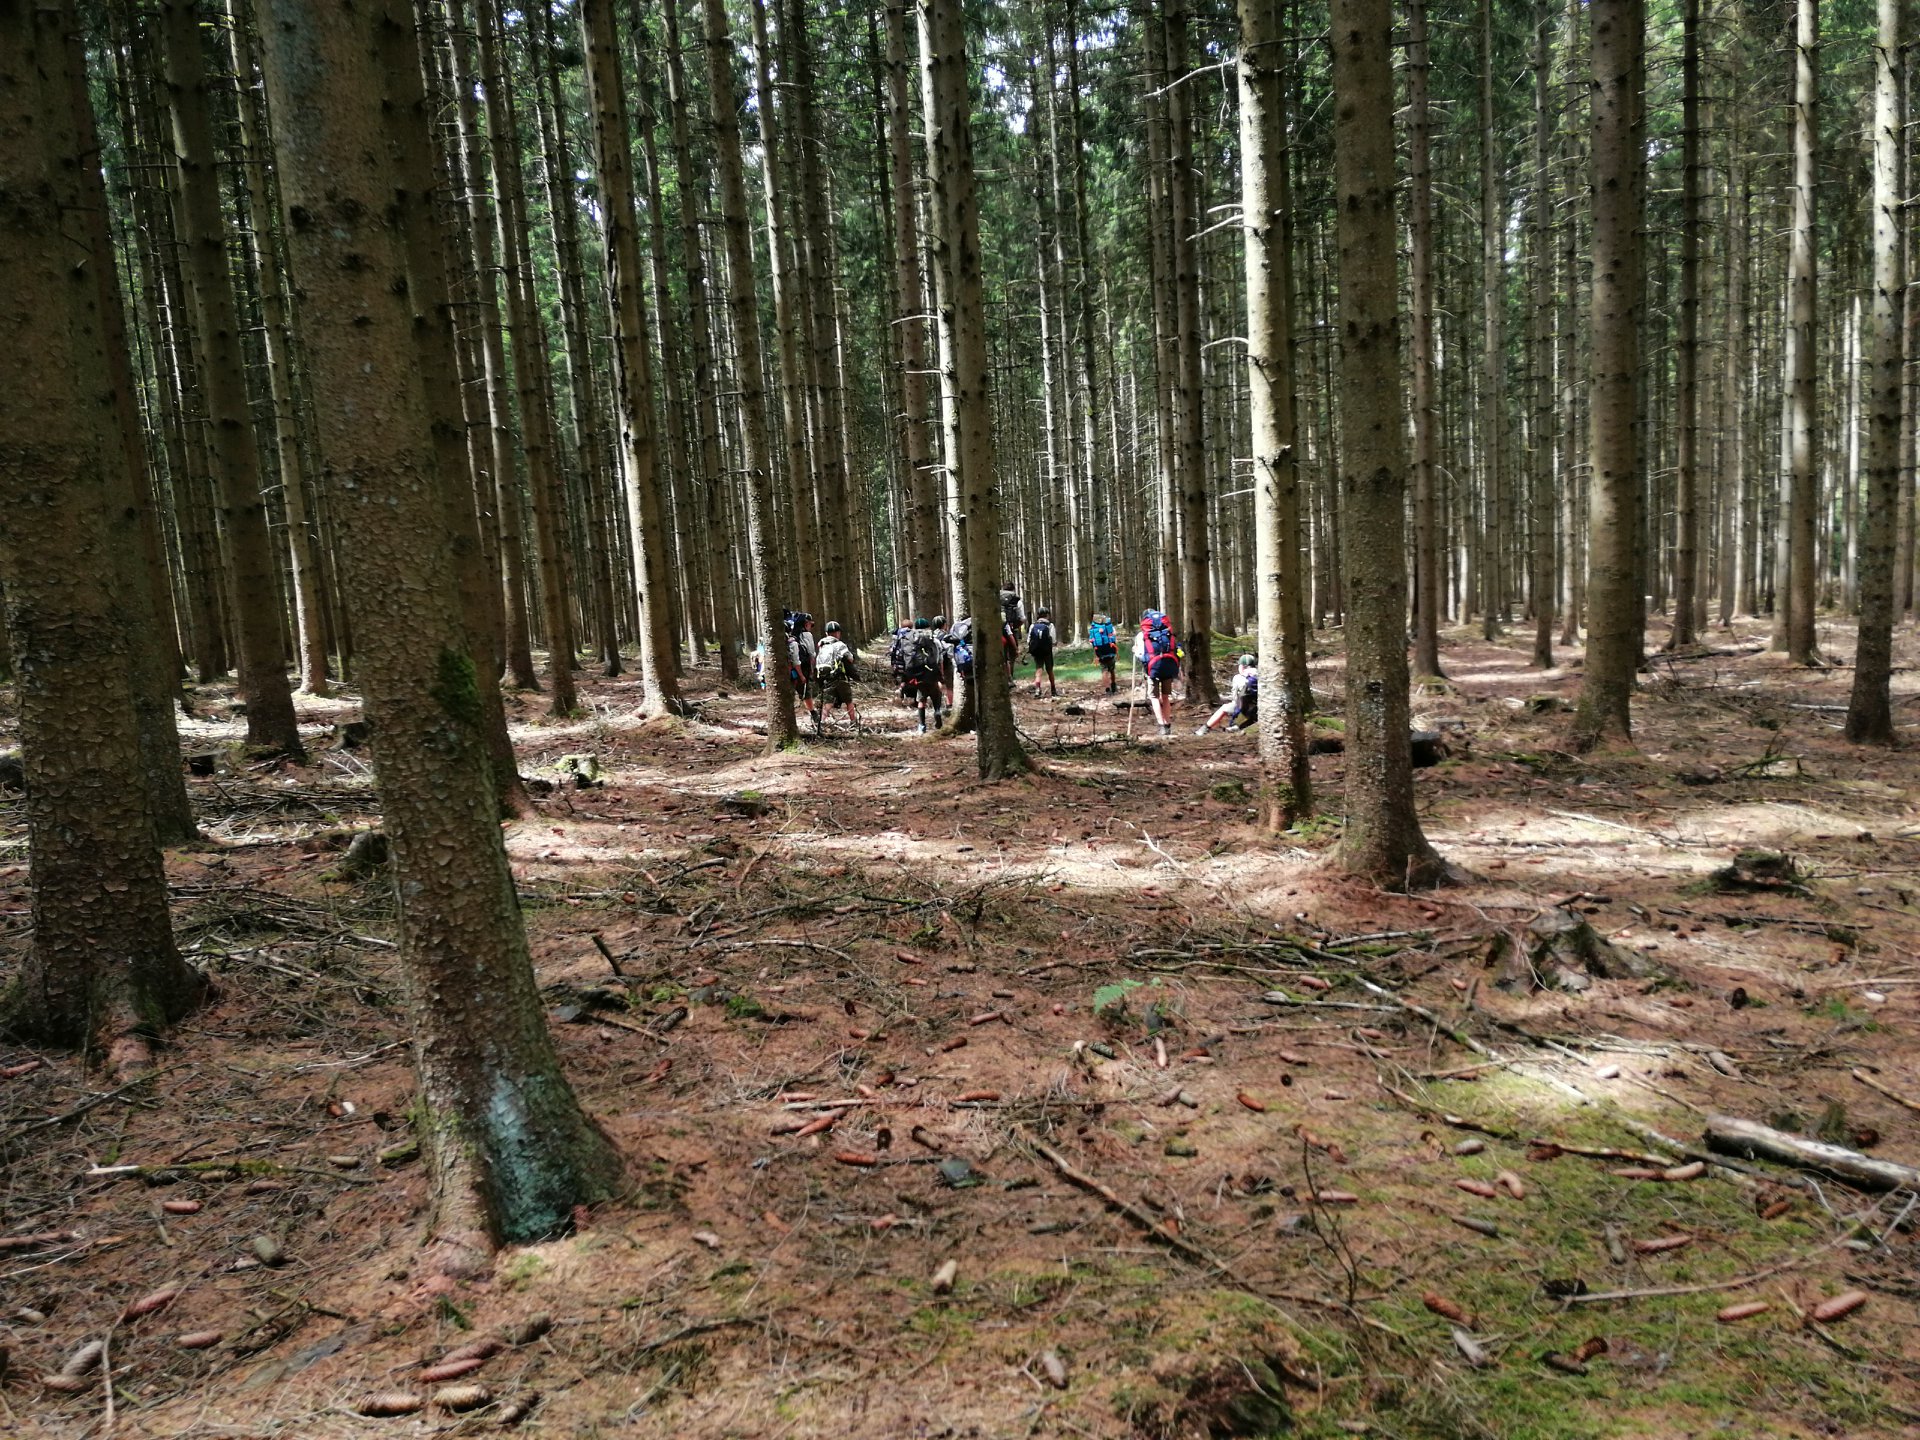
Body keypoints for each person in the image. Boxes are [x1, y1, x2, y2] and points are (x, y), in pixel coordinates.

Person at [1137, 608, 1183, 737]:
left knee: (1154, 697)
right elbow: (1176, 649)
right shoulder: (1167, 632)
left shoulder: (1142, 635)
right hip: (1168, 666)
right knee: (1165, 696)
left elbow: (1140, 654)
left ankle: (1161, 725)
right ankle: (1167, 723)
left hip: (1153, 669)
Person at [900, 617, 946, 732]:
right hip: (932, 672)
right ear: (928, 627)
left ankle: (922, 726)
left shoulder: (912, 640)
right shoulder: (933, 639)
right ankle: (938, 715)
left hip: (917, 674)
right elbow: (938, 658)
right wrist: (941, 675)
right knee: (936, 696)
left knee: (921, 699)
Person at [815, 621, 860, 733]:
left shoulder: (822, 645)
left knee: (828, 702)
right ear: (838, 633)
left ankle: (822, 722)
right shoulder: (840, 645)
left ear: (826, 633)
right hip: (840, 677)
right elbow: (850, 659)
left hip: (827, 677)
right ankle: (853, 722)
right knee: (848, 700)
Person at [1198, 654, 1259, 734]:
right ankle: (1237, 727)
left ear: (1242, 666)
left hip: (1244, 707)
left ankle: (1205, 729)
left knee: (1225, 708)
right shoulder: (1261, 675)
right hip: (1259, 708)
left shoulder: (1238, 677)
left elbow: (1235, 697)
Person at [1027, 607, 1057, 697]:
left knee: (1039, 669)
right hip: (1047, 651)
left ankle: (1038, 689)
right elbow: (1053, 640)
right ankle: (1053, 689)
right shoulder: (1050, 625)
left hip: (1037, 651)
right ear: (1047, 615)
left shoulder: (1033, 625)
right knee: (1050, 670)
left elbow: (1029, 640)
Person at [1087, 612, 1118, 695]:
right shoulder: (1108, 626)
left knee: (1104, 670)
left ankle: (1107, 689)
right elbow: (1113, 636)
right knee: (1112, 670)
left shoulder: (1093, 629)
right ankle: (1114, 685)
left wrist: (1096, 654)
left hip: (1100, 652)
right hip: (1110, 650)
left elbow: (1092, 642)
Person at [998, 584, 1023, 680]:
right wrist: (1016, 649)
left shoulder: (997, 600)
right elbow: (1022, 618)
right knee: (1010, 657)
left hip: (996, 634)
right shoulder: (1016, 601)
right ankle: (1010, 678)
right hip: (1010, 630)